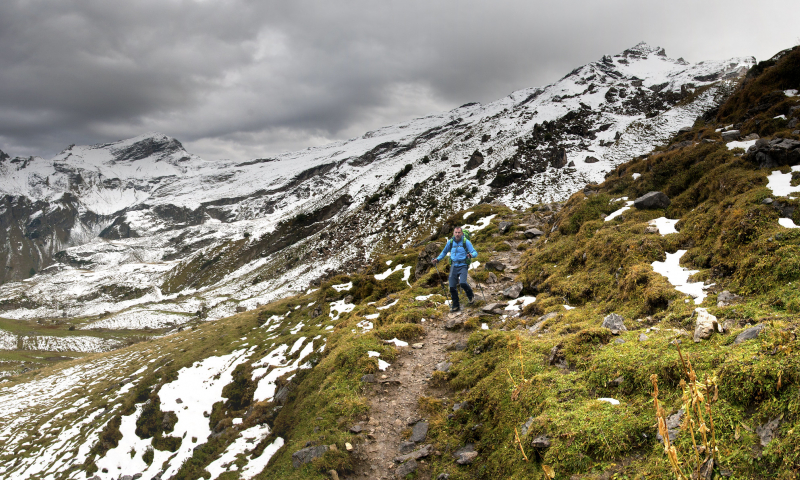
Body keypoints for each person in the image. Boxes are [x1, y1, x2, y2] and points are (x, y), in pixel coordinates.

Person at [432, 226, 477, 312]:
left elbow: (474, 252)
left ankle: (470, 296)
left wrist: (471, 255)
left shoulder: (466, 242)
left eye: (459, 233)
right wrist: (437, 259)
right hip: (453, 266)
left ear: (462, 233)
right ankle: (456, 305)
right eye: (455, 232)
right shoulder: (450, 242)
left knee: (463, 282)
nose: (457, 234)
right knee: (452, 286)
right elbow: (444, 252)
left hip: (463, 265)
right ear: (453, 233)